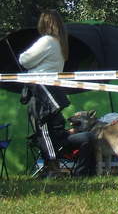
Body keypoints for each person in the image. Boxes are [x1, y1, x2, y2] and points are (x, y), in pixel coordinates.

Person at [19, 10, 95, 177]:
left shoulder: (46, 41)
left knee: (43, 130)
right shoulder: (61, 43)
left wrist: (29, 65)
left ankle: (53, 166)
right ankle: (52, 165)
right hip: (52, 90)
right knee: (49, 129)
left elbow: (25, 60)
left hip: (41, 92)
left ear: (45, 23)